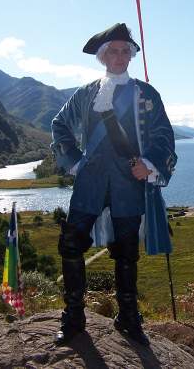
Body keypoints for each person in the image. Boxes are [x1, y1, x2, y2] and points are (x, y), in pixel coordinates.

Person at [51, 23, 177, 346]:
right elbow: (60, 124)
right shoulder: (85, 93)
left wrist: (149, 164)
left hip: (127, 183)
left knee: (126, 251)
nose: (119, 57)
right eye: (113, 52)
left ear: (131, 56)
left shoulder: (146, 94)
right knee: (71, 244)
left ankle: (128, 318)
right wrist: (75, 161)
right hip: (90, 182)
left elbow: (163, 135)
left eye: (125, 51)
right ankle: (74, 318)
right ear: (103, 57)